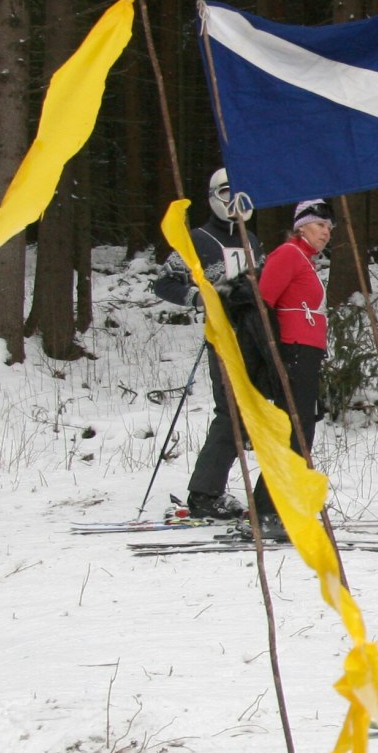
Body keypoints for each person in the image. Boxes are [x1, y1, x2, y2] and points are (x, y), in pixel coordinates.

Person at [152, 168, 261, 519]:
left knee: (248, 415)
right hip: (223, 337)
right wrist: (199, 298)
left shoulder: (252, 240)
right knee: (231, 413)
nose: (235, 203)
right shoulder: (198, 238)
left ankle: (220, 489)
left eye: (242, 195)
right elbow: (164, 282)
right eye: (228, 194)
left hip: (255, 338)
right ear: (214, 197)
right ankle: (204, 493)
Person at [248, 197, 334, 537]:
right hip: (293, 351)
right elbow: (262, 302)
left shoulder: (305, 260)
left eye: (329, 228)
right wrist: (273, 354)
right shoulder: (288, 253)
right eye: (320, 225)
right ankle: (267, 510)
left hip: (307, 352)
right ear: (301, 226)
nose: (326, 232)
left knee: (301, 431)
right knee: (294, 430)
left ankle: (277, 506)